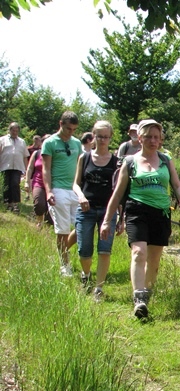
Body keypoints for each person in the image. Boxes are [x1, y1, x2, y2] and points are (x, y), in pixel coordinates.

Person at [100, 119, 180, 319]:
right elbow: (117, 193)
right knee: (139, 253)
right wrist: (107, 220)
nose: (153, 140)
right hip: (137, 211)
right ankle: (138, 297)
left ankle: (147, 296)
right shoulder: (130, 162)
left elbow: (177, 184)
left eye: (157, 137)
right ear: (139, 138)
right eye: (148, 136)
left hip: (161, 213)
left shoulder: (166, 160)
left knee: (154, 261)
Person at [72, 121, 121, 301]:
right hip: (86, 209)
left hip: (108, 212)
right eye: (99, 136)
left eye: (105, 136)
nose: (102, 140)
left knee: (104, 250)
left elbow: (119, 191)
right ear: (93, 136)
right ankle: (86, 275)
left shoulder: (117, 162)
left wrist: (120, 217)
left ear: (110, 138)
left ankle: (99, 288)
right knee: (84, 249)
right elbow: (76, 183)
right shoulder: (84, 158)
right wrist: (81, 196)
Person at [42, 111, 83, 277]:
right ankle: (64, 264)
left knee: (82, 226)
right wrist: (48, 191)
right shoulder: (50, 142)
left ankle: (64, 251)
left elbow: (81, 167)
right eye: (68, 128)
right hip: (58, 189)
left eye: (73, 129)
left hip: (75, 190)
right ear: (60, 124)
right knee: (63, 229)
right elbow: (46, 169)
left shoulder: (76, 143)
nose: (70, 132)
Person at [1, 122, 29, 213]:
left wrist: (26, 169)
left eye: (17, 131)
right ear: (9, 130)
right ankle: (7, 203)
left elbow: (25, 156)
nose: (15, 132)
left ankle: (15, 204)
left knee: (15, 184)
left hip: (17, 166)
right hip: (5, 166)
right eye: (13, 130)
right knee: (6, 185)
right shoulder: (2, 140)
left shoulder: (22, 141)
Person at [25, 133, 51, 228]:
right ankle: (39, 221)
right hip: (38, 182)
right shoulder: (37, 153)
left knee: (50, 206)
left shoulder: (56, 155)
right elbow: (30, 168)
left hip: (52, 183)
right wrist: (27, 182)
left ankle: (49, 225)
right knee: (39, 203)